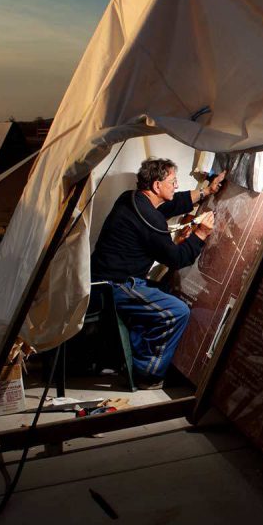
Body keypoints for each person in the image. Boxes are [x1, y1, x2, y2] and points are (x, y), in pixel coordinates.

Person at [90, 157, 224, 388]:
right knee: (178, 311)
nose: (176, 185)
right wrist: (200, 234)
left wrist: (206, 192)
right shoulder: (150, 220)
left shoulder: (131, 198)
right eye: (172, 181)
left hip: (101, 279)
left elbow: (169, 205)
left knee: (163, 290)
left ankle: (132, 353)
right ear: (156, 186)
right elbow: (177, 258)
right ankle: (147, 373)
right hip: (116, 286)